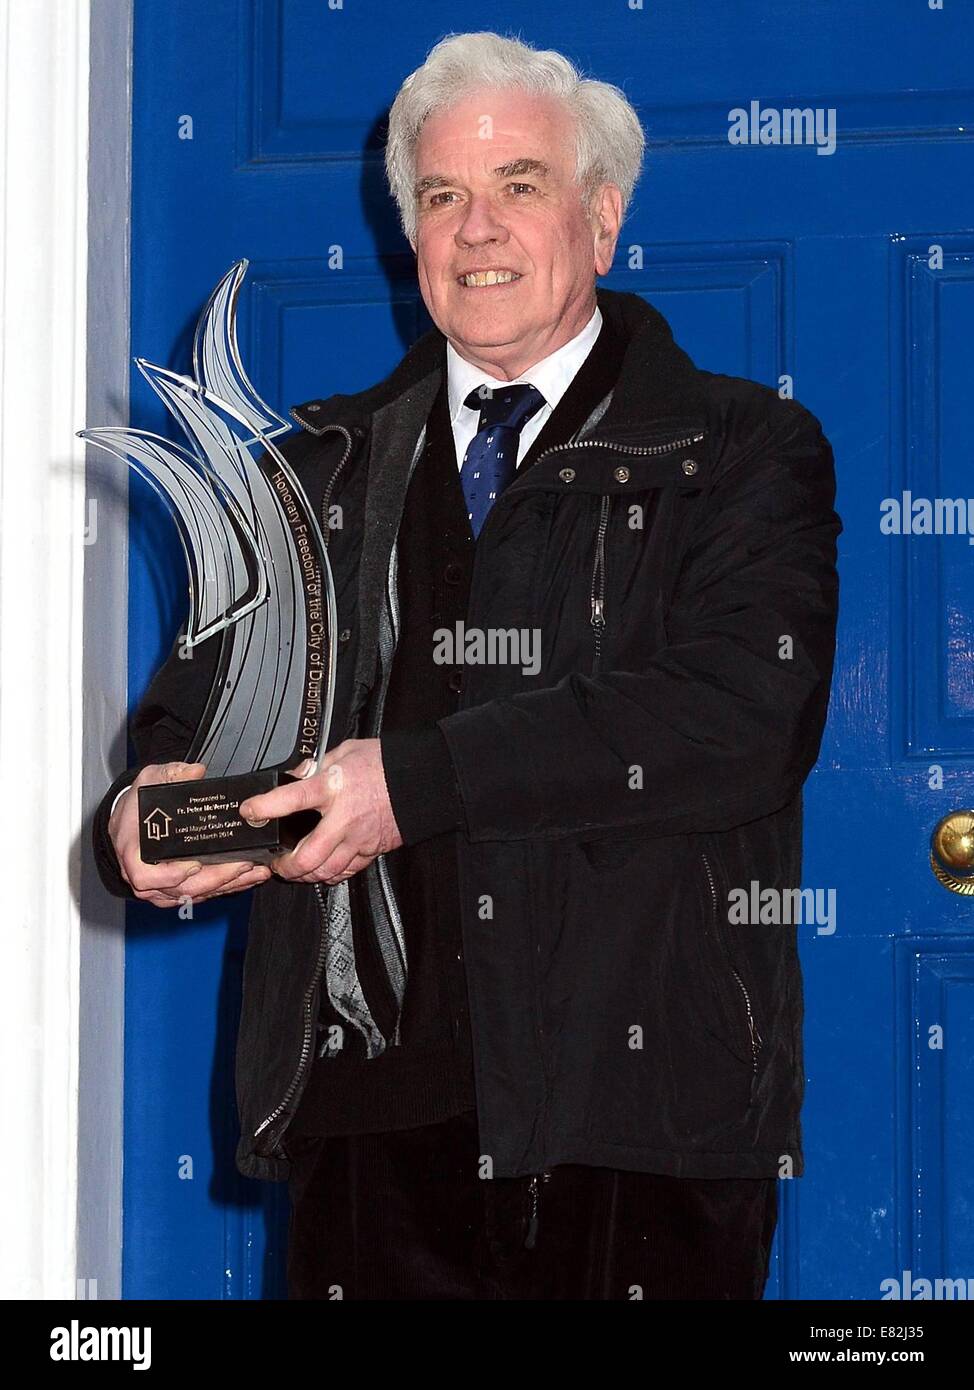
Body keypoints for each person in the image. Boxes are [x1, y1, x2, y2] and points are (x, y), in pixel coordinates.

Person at [92, 30, 841, 1300]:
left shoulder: (739, 448)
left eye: (520, 186)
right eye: (442, 196)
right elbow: (199, 712)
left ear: (600, 222)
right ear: (410, 234)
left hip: (637, 1119)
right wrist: (155, 809)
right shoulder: (309, 472)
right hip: (367, 1122)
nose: (476, 227)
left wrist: (418, 780)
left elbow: (739, 717)